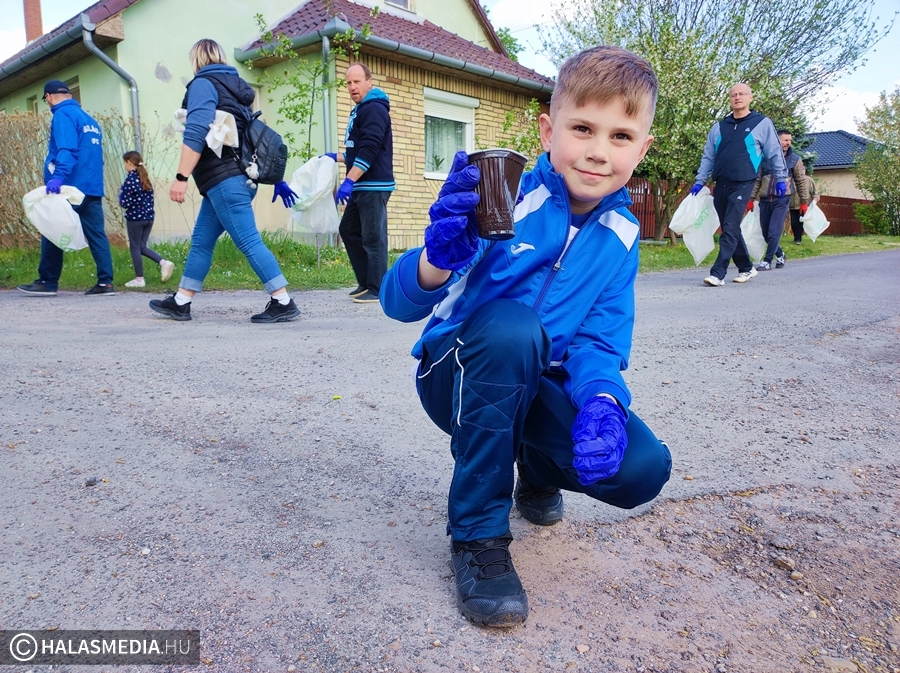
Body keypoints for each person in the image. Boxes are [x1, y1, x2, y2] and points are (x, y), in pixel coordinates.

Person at [380, 46, 672, 627]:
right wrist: (436, 261)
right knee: (514, 327)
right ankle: (477, 537)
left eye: (621, 136)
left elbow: (600, 342)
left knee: (641, 466)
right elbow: (397, 302)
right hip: (458, 376)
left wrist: (603, 402)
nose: (597, 151)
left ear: (643, 149)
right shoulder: (503, 195)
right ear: (548, 129)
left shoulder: (621, 233)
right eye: (582, 128)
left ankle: (534, 471)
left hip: (532, 382)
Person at [149, 39, 299, 323]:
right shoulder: (237, 90)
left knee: (249, 241)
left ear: (196, 60)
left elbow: (195, 131)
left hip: (225, 181)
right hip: (234, 179)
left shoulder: (203, 85)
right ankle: (181, 301)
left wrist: (180, 177)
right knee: (202, 242)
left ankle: (283, 301)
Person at [17, 80, 115, 297]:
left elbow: (67, 148)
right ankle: (105, 283)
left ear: (49, 97)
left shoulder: (62, 115)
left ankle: (47, 281)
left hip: (70, 188)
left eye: (46, 101)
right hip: (92, 187)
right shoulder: (89, 119)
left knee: (52, 230)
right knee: (97, 234)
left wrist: (58, 177)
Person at [690, 83, 786, 286]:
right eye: (733, 94)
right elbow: (709, 156)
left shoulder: (761, 123)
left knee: (731, 225)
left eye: (742, 94)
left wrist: (780, 178)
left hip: (744, 182)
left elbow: (775, 153)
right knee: (729, 228)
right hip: (722, 182)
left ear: (750, 97)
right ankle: (746, 267)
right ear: (730, 99)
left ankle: (718, 273)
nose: (737, 97)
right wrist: (700, 181)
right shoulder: (719, 127)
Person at [331, 63, 394, 304]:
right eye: (348, 83)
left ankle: (378, 288)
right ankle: (366, 282)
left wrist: (348, 180)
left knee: (372, 236)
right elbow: (357, 149)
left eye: (357, 81)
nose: (352, 87)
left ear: (369, 81)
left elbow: (370, 148)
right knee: (348, 229)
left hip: (374, 184)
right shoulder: (360, 110)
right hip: (361, 184)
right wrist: (335, 157)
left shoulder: (374, 109)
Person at [748, 130, 809, 270]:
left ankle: (767, 261)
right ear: (776, 141)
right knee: (765, 233)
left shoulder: (795, 159)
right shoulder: (765, 158)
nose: (788, 143)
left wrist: (804, 202)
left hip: (782, 200)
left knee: (774, 232)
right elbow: (758, 180)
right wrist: (751, 198)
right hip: (764, 200)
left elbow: (801, 181)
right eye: (785, 140)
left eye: (790, 140)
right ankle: (780, 255)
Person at [118, 151, 175, 288]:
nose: (124, 165)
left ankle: (139, 279)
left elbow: (125, 203)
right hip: (148, 217)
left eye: (124, 163)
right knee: (141, 247)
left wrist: (120, 194)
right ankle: (163, 263)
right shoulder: (145, 179)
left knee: (135, 248)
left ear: (129, 162)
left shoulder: (130, 180)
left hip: (135, 219)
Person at [790, 173, 817, 244]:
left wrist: (814, 201)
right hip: (792, 205)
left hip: (803, 205)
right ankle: (796, 237)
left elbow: (815, 193)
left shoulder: (809, 180)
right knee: (793, 223)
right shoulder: (791, 180)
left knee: (800, 222)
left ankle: (798, 239)